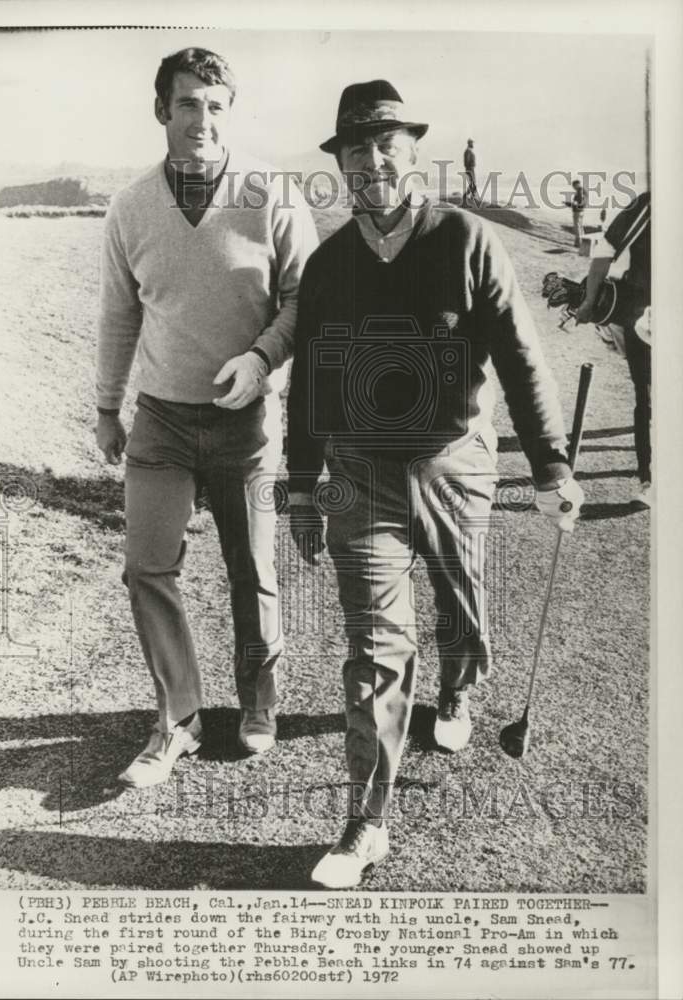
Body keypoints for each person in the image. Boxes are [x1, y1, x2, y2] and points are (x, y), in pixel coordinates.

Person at [286, 79, 584, 888]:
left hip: (456, 463)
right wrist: (304, 486)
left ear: (413, 153)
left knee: (461, 613)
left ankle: (458, 691)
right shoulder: (329, 263)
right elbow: (312, 385)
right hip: (361, 475)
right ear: (342, 167)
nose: (373, 160)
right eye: (357, 150)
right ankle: (365, 824)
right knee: (373, 652)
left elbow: (521, 361)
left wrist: (552, 467)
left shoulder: (466, 238)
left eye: (388, 144)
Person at [96, 47, 317, 786]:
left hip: (246, 426)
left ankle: (258, 704)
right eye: (187, 103)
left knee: (250, 569)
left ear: (231, 111)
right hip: (160, 420)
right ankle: (180, 718)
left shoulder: (270, 195)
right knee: (146, 570)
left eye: (215, 105)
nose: (201, 119)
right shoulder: (130, 208)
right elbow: (119, 316)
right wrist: (106, 406)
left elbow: (302, 300)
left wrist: (259, 361)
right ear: (162, 110)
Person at [577, 191, 651, 507]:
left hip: (645, 313)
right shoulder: (647, 206)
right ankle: (650, 478)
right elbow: (603, 254)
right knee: (647, 396)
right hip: (646, 317)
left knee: (648, 397)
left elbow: (603, 255)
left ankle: (652, 479)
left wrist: (590, 304)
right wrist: (590, 303)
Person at [567, 179, 587, 248]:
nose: (573, 188)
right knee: (580, 227)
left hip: (577, 212)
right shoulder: (584, 191)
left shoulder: (579, 191)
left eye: (573, 186)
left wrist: (569, 204)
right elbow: (582, 202)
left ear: (576, 185)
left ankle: (578, 243)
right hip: (582, 211)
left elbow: (577, 202)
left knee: (577, 227)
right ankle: (583, 242)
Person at [463, 138, 478, 207]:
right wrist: (470, 168)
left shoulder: (469, 151)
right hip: (470, 169)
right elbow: (466, 162)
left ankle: (471, 197)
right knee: (473, 184)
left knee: (473, 184)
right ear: (469, 144)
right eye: (472, 143)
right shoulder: (468, 151)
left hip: (471, 169)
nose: (473, 144)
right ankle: (467, 197)